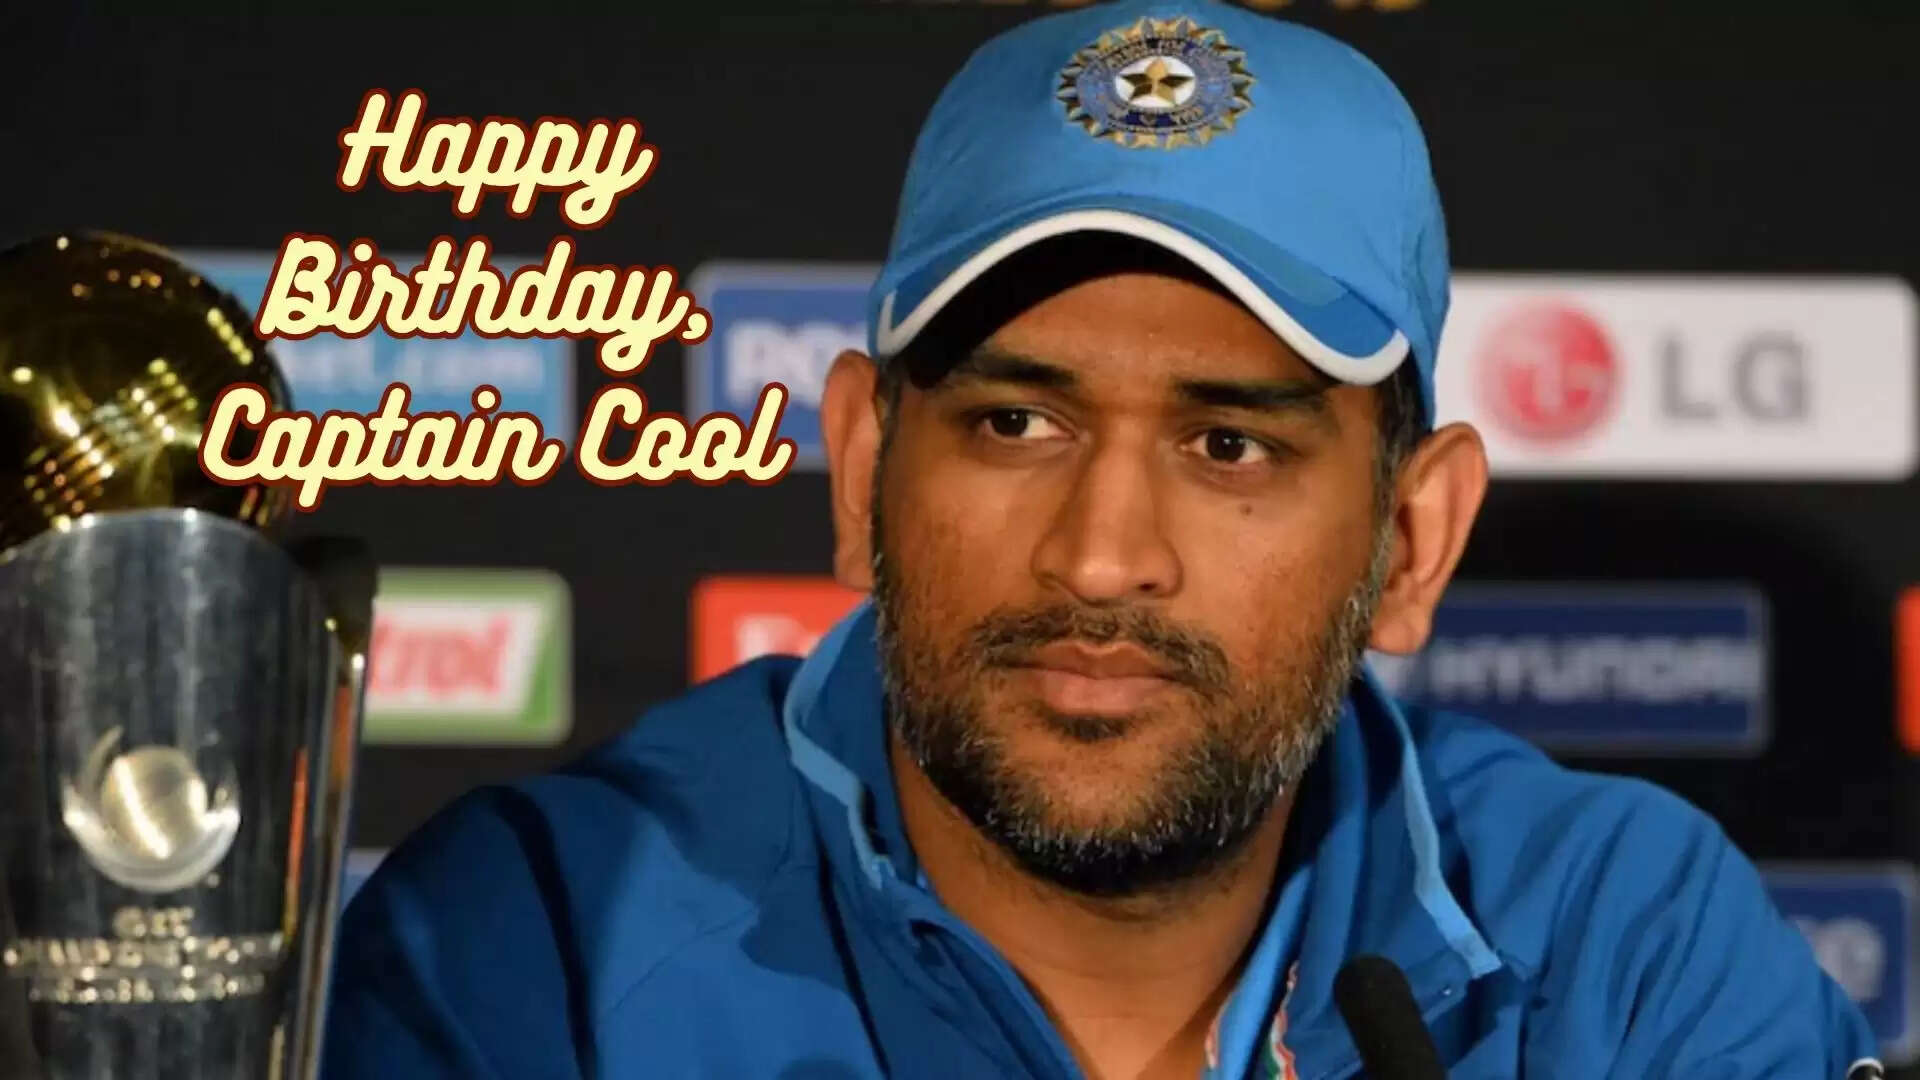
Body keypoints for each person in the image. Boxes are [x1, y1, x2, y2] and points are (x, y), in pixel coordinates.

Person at [321, 2, 1882, 1077]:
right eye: (1016, 423)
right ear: (862, 472)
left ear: (1410, 541)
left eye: (1228, 445)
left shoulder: (1626, 948)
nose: (1100, 556)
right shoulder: (543, 949)